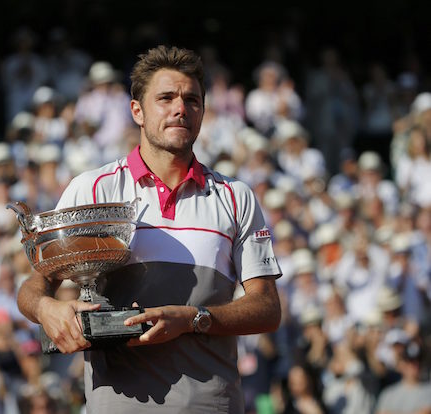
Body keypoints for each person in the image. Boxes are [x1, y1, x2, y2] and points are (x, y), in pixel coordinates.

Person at [17, 45, 282, 413]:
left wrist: (193, 319)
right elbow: (33, 287)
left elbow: (268, 308)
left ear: (203, 111)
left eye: (192, 99)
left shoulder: (236, 197)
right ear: (137, 111)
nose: (180, 108)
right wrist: (46, 309)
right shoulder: (92, 189)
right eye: (166, 98)